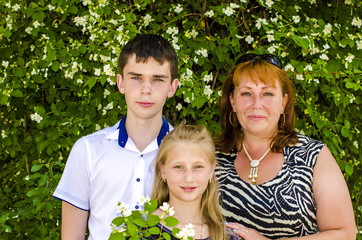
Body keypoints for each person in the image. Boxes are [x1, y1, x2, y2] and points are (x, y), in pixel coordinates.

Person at [215, 54, 356, 240]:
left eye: (267, 94)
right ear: (233, 101)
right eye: (246, 93)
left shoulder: (312, 156)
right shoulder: (212, 156)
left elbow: (344, 234)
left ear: (284, 102)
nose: (256, 105)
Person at [52, 34, 179, 240]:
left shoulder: (188, 152)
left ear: (172, 87)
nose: (146, 89)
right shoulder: (88, 150)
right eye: (136, 78)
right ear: (120, 83)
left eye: (157, 79)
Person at [150, 125, 238, 240]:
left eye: (198, 167)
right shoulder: (142, 231)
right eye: (178, 167)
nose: (188, 178)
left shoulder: (225, 236)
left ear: (211, 170)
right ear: (163, 170)